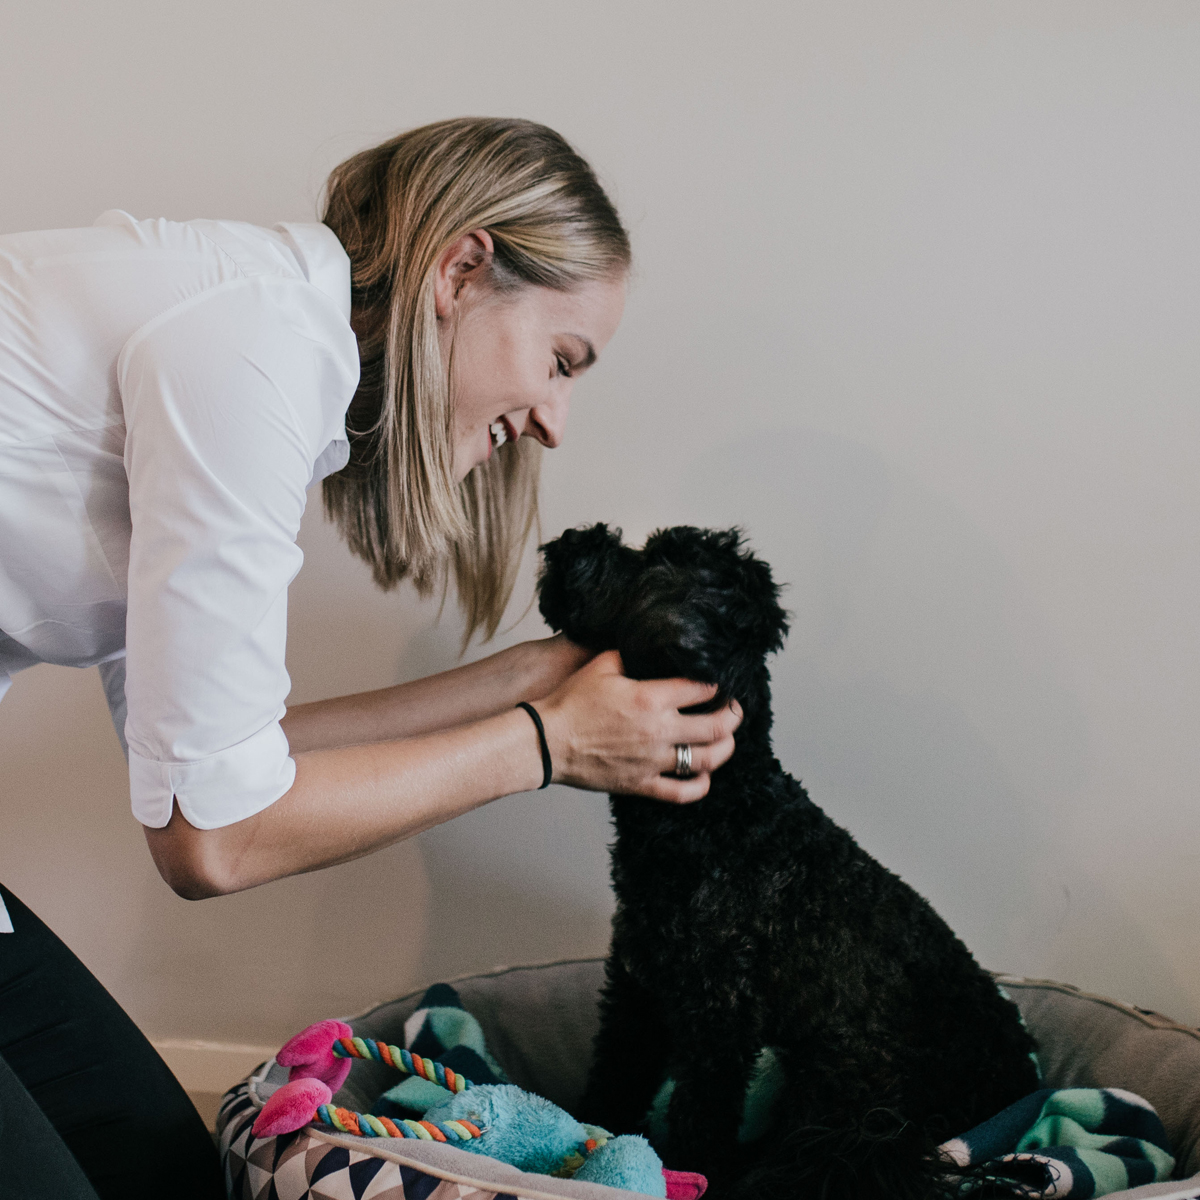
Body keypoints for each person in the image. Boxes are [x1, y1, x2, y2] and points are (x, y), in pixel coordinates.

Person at [0, 118, 742, 1198]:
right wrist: (548, 746)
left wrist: (526, 681)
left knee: (160, 1172)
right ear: (462, 268)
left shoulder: (258, 352)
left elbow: (221, 762)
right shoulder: (250, 347)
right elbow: (212, 841)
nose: (553, 421)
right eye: (560, 360)